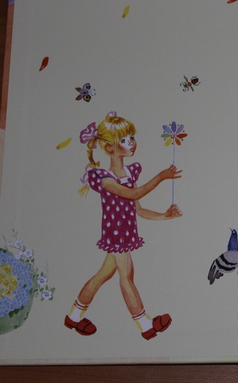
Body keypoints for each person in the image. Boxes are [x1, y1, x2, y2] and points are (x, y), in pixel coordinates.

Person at [65, 113, 182, 340]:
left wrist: (165, 215)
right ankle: (145, 325)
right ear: (110, 148)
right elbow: (132, 194)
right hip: (116, 236)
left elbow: (139, 209)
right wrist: (160, 177)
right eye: (125, 140)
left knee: (102, 275)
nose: (132, 143)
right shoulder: (105, 178)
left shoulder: (130, 173)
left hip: (126, 234)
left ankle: (74, 316)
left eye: (132, 138)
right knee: (126, 276)